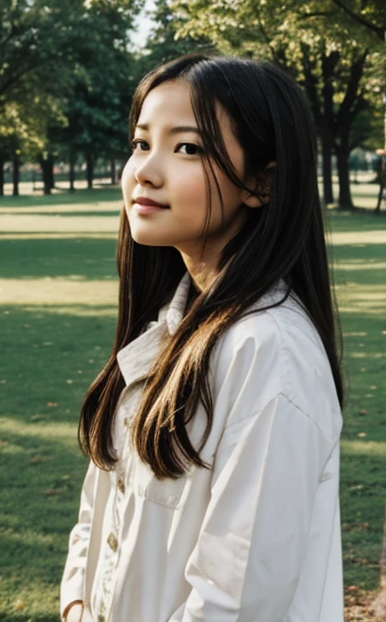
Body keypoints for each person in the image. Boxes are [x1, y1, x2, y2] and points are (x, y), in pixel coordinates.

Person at [60, 53, 343, 622]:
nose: (146, 169)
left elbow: (237, 601)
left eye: (187, 147)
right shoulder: (163, 334)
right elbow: (99, 515)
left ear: (261, 182)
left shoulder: (269, 353)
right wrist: (75, 605)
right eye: (141, 143)